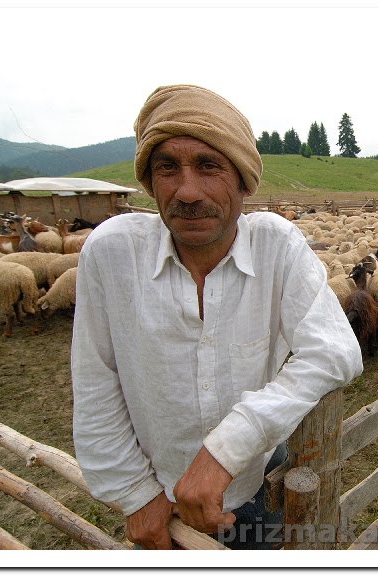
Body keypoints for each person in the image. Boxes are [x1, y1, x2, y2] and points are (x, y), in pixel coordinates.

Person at [71, 84, 363, 550]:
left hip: (256, 484)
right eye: (167, 167)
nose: (187, 191)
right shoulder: (110, 254)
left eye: (209, 166)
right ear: (149, 181)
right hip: (158, 500)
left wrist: (229, 446)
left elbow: (335, 352)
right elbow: (95, 384)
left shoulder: (277, 247)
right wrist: (135, 495)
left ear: (243, 180)